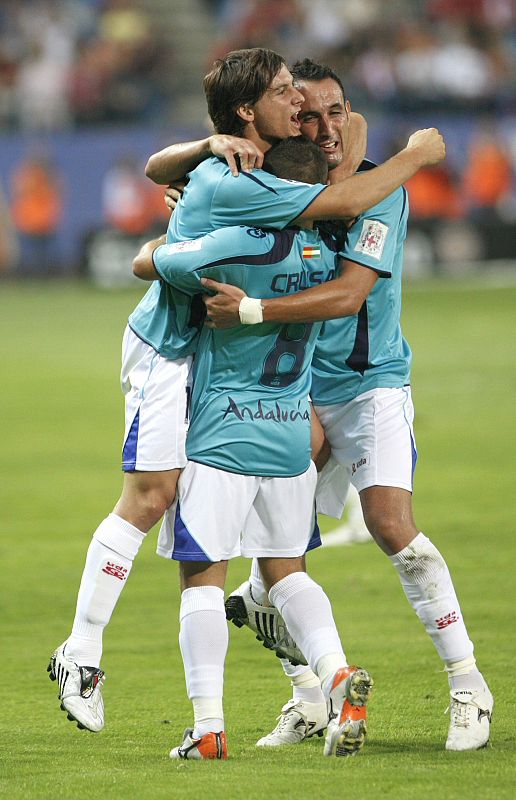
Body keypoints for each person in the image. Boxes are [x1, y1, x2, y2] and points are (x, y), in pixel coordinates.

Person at [47, 47, 444, 737]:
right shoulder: (238, 180)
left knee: (266, 559)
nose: (300, 103)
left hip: (226, 374)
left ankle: (270, 707)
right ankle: (81, 654)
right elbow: (342, 198)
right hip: (170, 351)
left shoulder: (252, 158)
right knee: (155, 498)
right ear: (245, 111)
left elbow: (162, 175)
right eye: (286, 92)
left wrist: (200, 167)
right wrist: (414, 154)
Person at [201, 58, 493, 753]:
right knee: (272, 561)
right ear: (283, 119)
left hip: (369, 385)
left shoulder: (376, 191)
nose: (325, 127)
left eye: (337, 113)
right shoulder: (274, 180)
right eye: (307, 114)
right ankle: (306, 697)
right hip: (295, 390)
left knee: (392, 527)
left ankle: (467, 685)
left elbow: (349, 294)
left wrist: (251, 310)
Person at [132, 135, 373, 760]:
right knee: (286, 571)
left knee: (202, 580)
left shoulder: (231, 244)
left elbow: (145, 263)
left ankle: (208, 727)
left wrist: (184, 216)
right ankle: (339, 673)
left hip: (224, 433)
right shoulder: (331, 253)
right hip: (291, 431)